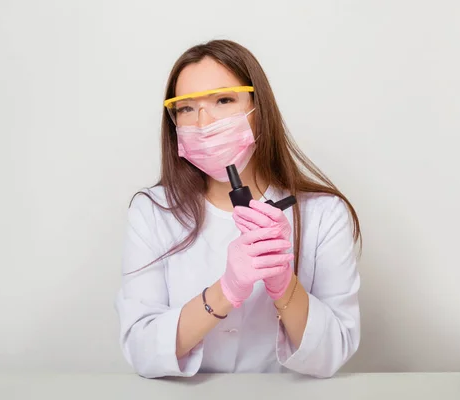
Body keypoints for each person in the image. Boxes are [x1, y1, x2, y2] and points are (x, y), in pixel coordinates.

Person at [115, 39, 362, 379]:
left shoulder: (323, 213)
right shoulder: (153, 212)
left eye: (224, 100)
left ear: (259, 110)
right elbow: (142, 350)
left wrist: (283, 284)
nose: (203, 122)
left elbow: (332, 353)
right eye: (186, 108)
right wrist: (225, 292)